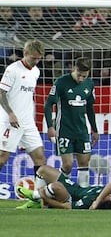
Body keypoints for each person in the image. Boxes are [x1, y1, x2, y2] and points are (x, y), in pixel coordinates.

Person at [0, 39, 46, 209]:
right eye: (33, 58)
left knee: (40, 157)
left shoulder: (36, 71)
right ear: (25, 53)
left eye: (38, 58)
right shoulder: (12, 70)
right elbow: (1, 93)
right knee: (2, 159)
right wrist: (10, 113)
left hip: (27, 123)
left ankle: (36, 200)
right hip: (10, 121)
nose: (36, 61)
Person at [44, 57, 98, 188]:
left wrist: (95, 130)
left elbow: (90, 108)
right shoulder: (61, 82)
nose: (81, 79)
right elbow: (48, 104)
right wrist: (50, 127)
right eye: (79, 75)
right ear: (74, 69)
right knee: (67, 165)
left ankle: (82, 195)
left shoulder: (89, 84)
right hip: (64, 130)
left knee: (84, 163)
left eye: (84, 76)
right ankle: (59, 193)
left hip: (82, 131)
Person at [17, 165, 111, 209]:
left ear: (102, 202)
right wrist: (99, 199)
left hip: (68, 196)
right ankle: (36, 201)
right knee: (43, 169)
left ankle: (35, 196)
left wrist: (45, 197)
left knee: (56, 187)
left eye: (108, 198)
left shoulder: (88, 202)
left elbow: (65, 207)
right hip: (74, 186)